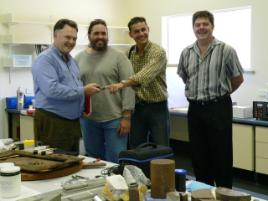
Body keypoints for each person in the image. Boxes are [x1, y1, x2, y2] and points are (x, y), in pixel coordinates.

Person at [177, 10, 244, 188]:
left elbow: (237, 79)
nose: (201, 28)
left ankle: (224, 196)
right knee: (199, 155)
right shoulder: (186, 52)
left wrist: (220, 94)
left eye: (205, 24)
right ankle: (203, 193)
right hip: (195, 109)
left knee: (221, 156)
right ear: (193, 28)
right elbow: (185, 78)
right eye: (197, 25)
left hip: (218, 108)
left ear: (212, 26)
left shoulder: (226, 50)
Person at [32, 19, 101, 155]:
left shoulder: (71, 61)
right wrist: (83, 90)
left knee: (71, 164)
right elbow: (52, 90)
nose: (71, 42)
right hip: (53, 122)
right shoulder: (45, 59)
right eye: (67, 37)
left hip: (72, 122)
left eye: (74, 38)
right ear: (55, 36)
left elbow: (75, 86)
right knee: (54, 165)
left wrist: (84, 105)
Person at [75, 19, 135, 163]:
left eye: (103, 33)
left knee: (116, 159)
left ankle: (117, 186)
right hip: (88, 120)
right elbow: (75, 88)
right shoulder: (78, 59)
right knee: (94, 160)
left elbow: (129, 87)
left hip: (114, 120)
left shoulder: (119, 57)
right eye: (96, 33)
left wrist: (127, 117)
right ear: (89, 35)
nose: (100, 36)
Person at [108, 17, 170, 149]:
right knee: (137, 146)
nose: (141, 34)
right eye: (137, 31)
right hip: (137, 108)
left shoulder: (158, 52)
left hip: (157, 107)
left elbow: (144, 76)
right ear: (131, 34)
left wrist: (122, 84)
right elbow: (118, 72)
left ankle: (160, 170)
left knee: (161, 146)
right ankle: (140, 170)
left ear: (148, 29)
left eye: (143, 30)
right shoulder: (129, 53)